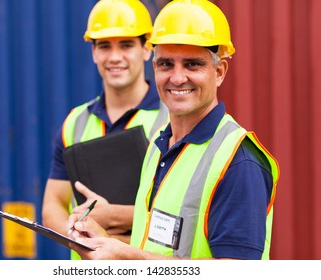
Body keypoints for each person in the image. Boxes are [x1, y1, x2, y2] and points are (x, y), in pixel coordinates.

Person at [67, 0, 280, 260]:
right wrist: (105, 240)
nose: (177, 78)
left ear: (220, 71)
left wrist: (126, 256)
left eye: (193, 65)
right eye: (166, 64)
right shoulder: (159, 147)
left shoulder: (237, 160)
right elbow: (161, 247)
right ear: (154, 68)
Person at [41, 0, 168, 258]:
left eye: (126, 45)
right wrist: (81, 237)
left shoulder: (173, 119)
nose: (114, 57)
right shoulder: (75, 122)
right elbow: (52, 205)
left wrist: (111, 218)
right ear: (94, 52)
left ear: (147, 49)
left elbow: (183, 216)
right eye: (104, 46)